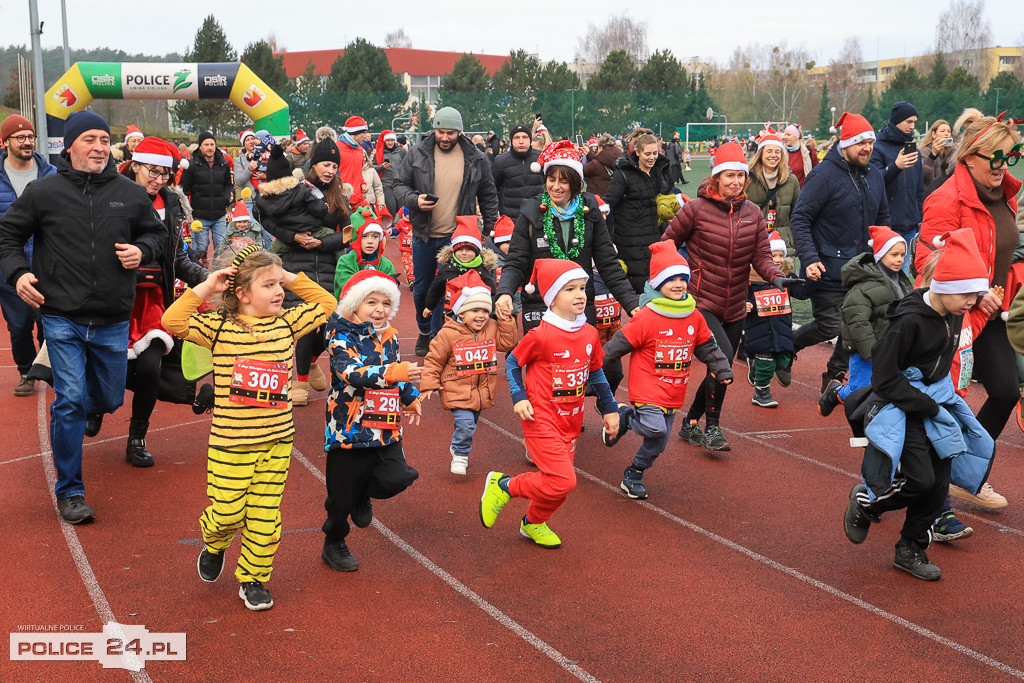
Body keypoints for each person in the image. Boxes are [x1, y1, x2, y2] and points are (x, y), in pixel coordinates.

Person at [0, 111, 165, 524]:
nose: (98, 147)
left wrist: (142, 250)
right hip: (61, 316)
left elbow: (158, 235)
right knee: (69, 400)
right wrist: (18, 273)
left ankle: (89, 408)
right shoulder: (43, 192)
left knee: (108, 398)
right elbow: (8, 236)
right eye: (89, 139)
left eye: (104, 140)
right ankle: (70, 490)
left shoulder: (129, 193)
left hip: (112, 318)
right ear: (69, 146)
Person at [163, 246, 334, 609]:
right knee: (226, 512)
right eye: (268, 285)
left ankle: (254, 578)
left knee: (265, 517)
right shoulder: (219, 327)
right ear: (241, 293)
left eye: (279, 285)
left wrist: (287, 275)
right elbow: (173, 322)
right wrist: (207, 285)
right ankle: (215, 543)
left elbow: (327, 304)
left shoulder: (288, 322)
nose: (279, 292)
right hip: (231, 444)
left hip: (276, 444)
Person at [842, 228, 994, 581]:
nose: (974, 301)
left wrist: (942, 398)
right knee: (921, 481)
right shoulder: (908, 320)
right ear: (947, 288)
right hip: (903, 404)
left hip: (935, 402)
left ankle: (910, 548)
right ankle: (867, 503)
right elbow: (884, 373)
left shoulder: (956, 311)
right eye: (968, 294)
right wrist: (921, 402)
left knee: (939, 485)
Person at [916, 112, 1022, 508]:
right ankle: (913, 492)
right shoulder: (946, 198)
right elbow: (931, 263)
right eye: (995, 158)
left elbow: (1002, 251)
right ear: (970, 156)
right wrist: (977, 292)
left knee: (1006, 391)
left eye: (1008, 157)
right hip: (951, 314)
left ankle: (964, 475)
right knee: (940, 399)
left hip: (991, 309)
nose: (1002, 167)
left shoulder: (1004, 194)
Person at [480, 259, 620, 548]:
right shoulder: (541, 335)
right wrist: (519, 398)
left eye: (582, 287)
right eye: (570, 289)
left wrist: (610, 408)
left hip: (571, 421)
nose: (580, 294)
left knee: (556, 488)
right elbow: (512, 362)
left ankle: (533, 523)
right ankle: (503, 485)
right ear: (552, 297)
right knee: (564, 481)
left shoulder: (590, 334)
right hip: (540, 418)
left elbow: (596, 374)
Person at [662, 141, 789, 450]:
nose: (736, 182)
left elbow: (760, 255)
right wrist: (677, 277)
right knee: (723, 366)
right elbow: (666, 244)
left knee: (719, 367)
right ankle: (713, 428)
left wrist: (776, 276)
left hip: (734, 304)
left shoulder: (753, 214)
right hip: (701, 301)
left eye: (740, 176)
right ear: (716, 177)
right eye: (729, 176)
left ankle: (690, 422)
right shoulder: (695, 209)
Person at [601, 242, 732, 499]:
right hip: (647, 386)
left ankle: (634, 473)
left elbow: (708, 347)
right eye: (670, 279)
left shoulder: (693, 316)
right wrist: (594, 364)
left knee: (658, 442)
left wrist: (722, 368)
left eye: (682, 279)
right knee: (656, 429)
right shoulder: (647, 317)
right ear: (658, 283)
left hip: (673, 392)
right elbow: (618, 344)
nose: (678, 284)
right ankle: (627, 417)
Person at [322, 269, 422, 573]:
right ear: (354, 304)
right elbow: (350, 373)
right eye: (371, 302)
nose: (379, 310)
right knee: (339, 500)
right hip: (348, 428)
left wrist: (410, 396)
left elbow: (395, 372)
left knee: (400, 477)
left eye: (385, 303)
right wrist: (395, 374)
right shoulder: (339, 336)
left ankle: (363, 494)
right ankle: (334, 543)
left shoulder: (389, 336)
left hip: (385, 425)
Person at [118, 137, 208, 466]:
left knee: (151, 367)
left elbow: (178, 258)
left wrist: (208, 277)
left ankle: (137, 437)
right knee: (102, 365)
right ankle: (95, 404)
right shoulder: (112, 194)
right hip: (113, 298)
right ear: (135, 165)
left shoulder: (170, 204)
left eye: (165, 174)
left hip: (154, 301)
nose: (158, 180)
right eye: (152, 172)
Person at [495, 140, 639, 337]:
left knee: (583, 365)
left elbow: (608, 262)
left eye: (563, 181)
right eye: (551, 179)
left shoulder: (590, 211)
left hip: (579, 305)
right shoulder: (530, 213)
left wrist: (631, 303)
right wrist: (504, 292)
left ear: (576, 182)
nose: (556, 187)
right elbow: (516, 262)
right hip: (540, 304)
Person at [790, 112, 889, 393]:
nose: (867, 148)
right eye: (861, 142)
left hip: (865, 270)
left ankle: (834, 374)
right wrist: (809, 259)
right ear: (845, 144)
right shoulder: (822, 176)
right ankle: (789, 345)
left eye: (870, 142)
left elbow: (882, 219)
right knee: (830, 326)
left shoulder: (875, 176)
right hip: (827, 269)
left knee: (861, 325)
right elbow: (800, 219)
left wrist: (886, 250)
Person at [393, 106, 499, 355]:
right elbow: (399, 184)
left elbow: (488, 194)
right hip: (424, 233)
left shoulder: (475, 157)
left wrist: (490, 229)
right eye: (441, 132)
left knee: (450, 288)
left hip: (458, 237)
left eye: (451, 133)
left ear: (460, 133)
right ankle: (424, 329)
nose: (445, 137)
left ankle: (440, 335)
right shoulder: (418, 153)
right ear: (434, 130)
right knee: (422, 288)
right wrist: (414, 200)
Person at [255, 145, 345, 407]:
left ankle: (313, 360)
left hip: (328, 265)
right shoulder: (293, 187)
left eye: (334, 166)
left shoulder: (340, 194)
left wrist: (323, 243)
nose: (330, 170)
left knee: (332, 326)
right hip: (295, 263)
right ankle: (300, 381)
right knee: (305, 323)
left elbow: (349, 232)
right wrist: (291, 236)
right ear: (313, 165)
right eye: (325, 164)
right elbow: (260, 214)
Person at [420, 270, 519, 474]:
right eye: (474, 311)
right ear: (461, 313)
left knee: (471, 423)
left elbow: (508, 343)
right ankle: (460, 453)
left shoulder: (492, 327)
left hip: (482, 391)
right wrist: (429, 383)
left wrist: (506, 321)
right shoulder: (448, 334)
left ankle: (461, 446)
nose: (481, 315)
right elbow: (434, 360)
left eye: (485, 310)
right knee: (465, 423)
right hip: (456, 387)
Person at [818, 225, 912, 417]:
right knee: (860, 392)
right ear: (880, 254)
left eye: (902, 255)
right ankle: (835, 393)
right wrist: (870, 351)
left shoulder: (901, 281)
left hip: (892, 350)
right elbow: (856, 319)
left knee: (887, 392)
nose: (900, 260)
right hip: (867, 352)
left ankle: (874, 432)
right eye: (894, 254)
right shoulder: (864, 285)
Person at [0, 114, 54, 397]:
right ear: (5, 142)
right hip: (9, 265)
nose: (27, 142)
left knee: (50, 323)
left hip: (47, 262)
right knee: (19, 326)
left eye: (30, 137)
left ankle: (50, 369)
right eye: (19, 137)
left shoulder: (52, 174)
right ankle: (25, 373)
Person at [605, 130, 673, 293]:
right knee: (639, 287)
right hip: (631, 240)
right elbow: (609, 201)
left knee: (658, 284)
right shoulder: (624, 174)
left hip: (656, 237)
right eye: (647, 154)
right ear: (638, 152)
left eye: (655, 153)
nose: (652, 157)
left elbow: (668, 194)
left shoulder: (660, 170)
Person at [744, 232, 801, 408]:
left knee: (784, 360)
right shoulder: (750, 280)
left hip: (782, 328)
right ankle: (761, 393)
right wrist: (744, 304)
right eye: (772, 255)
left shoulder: (786, 279)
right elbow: (736, 297)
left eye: (781, 255)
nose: (777, 259)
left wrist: (812, 279)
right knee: (766, 363)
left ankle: (754, 365)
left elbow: (802, 293)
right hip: (759, 329)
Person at [870, 102, 924, 276]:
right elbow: (874, 183)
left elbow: (918, 191)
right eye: (909, 121)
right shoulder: (878, 148)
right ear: (897, 121)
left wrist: (921, 220)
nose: (912, 126)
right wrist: (896, 166)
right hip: (887, 227)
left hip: (910, 228)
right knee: (885, 279)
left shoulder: (913, 149)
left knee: (902, 280)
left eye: (915, 122)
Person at [422, 218, 497, 320]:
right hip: (450, 315)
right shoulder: (447, 269)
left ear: (477, 251)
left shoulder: (482, 270)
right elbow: (436, 289)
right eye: (460, 249)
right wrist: (430, 306)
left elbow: (492, 293)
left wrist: (492, 312)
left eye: (469, 250)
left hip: (476, 317)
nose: (464, 253)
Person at [179, 131, 233, 264]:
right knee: (201, 248)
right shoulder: (192, 165)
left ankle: (216, 275)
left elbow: (228, 184)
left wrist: (227, 197)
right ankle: (195, 271)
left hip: (219, 213)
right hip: (199, 214)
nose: (209, 147)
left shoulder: (223, 164)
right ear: (200, 147)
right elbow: (183, 189)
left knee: (220, 247)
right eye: (206, 144)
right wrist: (187, 210)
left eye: (212, 144)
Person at [746, 126, 800, 254]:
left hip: (783, 248)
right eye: (769, 151)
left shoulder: (791, 180)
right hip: (753, 245)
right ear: (761, 154)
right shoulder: (747, 179)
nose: (773, 155)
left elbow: (797, 214)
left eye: (777, 152)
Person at [491, 123, 543, 220]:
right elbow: (493, 189)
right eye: (517, 137)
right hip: (511, 218)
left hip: (539, 215)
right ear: (511, 140)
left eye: (525, 137)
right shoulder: (501, 161)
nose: (521, 141)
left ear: (530, 140)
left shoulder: (541, 158)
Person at [336, 116, 372, 208]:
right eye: (363, 133)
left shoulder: (360, 150)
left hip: (358, 200)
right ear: (354, 133)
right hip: (340, 200)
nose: (365, 136)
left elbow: (358, 173)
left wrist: (363, 183)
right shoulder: (336, 148)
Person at [373, 130, 406, 216]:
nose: (390, 142)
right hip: (386, 185)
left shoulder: (401, 152)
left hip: (399, 184)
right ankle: (392, 227)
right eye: (388, 140)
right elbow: (372, 168)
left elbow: (408, 166)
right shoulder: (380, 153)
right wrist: (381, 167)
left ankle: (400, 227)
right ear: (384, 141)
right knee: (391, 207)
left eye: (392, 140)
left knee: (402, 208)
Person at [920, 119, 956, 190]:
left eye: (949, 131)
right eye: (942, 131)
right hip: (930, 193)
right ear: (933, 134)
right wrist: (932, 155)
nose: (946, 134)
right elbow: (923, 175)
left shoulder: (952, 153)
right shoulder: (924, 152)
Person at [233, 129, 260, 200]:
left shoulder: (264, 155)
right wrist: (249, 170)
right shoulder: (239, 160)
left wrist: (265, 176)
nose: (251, 141)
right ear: (244, 143)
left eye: (252, 138)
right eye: (247, 140)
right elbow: (238, 181)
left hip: (266, 199)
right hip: (249, 201)